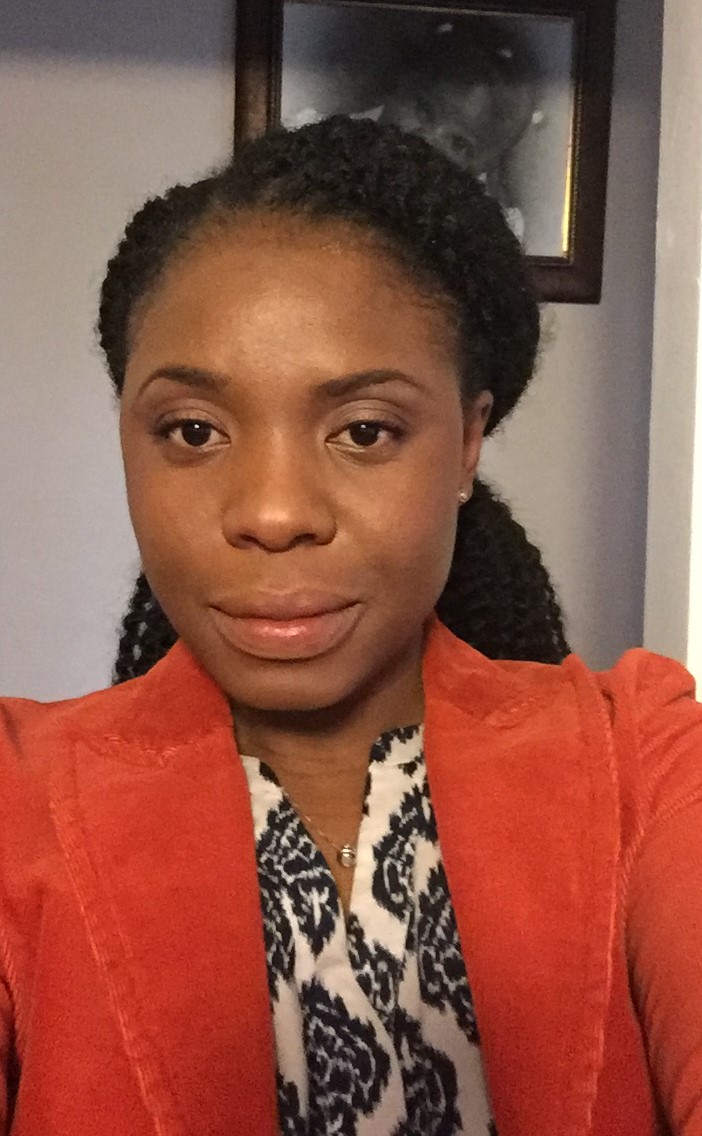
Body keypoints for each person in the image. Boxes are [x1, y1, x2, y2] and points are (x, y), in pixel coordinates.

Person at [0, 115, 700, 1136]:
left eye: (365, 430)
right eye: (193, 430)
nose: (274, 511)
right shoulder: (16, 794)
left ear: (467, 442)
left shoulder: (644, 757)